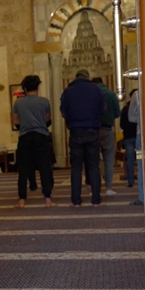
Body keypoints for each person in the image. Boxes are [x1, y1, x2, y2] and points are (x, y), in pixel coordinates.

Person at [60, 69, 106, 207]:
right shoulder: (97, 89)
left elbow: (63, 112)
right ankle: (96, 201)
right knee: (93, 167)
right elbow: (104, 109)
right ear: (88, 77)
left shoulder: (68, 91)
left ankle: (76, 201)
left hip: (75, 133)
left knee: (76, 168)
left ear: (76, 77)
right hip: (92, 131)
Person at [12, 75, 56, 208]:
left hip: (25, 137)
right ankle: (47, 199)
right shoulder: (44, 101)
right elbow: (47, 119)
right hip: (41, 136)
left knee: (23, 168)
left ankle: (22, 200)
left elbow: (15, 122)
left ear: (24, 88)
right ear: (38, 86)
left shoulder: (18, 103)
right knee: (44, 168)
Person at [92, 78, 121, 196]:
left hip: (93, 130)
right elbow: (117, 113)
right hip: (108, 130)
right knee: (109, 159)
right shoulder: (111, 94)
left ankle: (95, 188)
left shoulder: (92, 94)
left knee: (94, 159)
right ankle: (108, 188)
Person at [120, 89, 138, 188]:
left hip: (128, 137)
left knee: (130, 160)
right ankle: (143, 178)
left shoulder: (125, 109)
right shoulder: (141, 107)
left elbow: (121, 125)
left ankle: (130, 181)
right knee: (141, 159)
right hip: (138, 135)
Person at [129, 89, 144, 205]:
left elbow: (131, 118)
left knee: (141, 166)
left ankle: (142, 197)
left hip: (142, 133)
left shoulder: (137, 94)